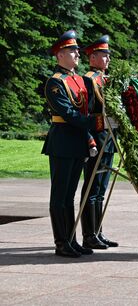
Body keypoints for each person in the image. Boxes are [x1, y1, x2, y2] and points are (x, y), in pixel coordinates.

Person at [42, 30, 98, 257]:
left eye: (76, 50)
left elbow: (84, 108)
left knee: (70, 195)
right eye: (72, 51)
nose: (77, 54)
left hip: (77, 142)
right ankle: (61, 242)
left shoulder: (78, 80)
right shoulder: (55, 83)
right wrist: (97, 123)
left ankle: (71, 239)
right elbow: (68, 113)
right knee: (60, 195)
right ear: (59, 55)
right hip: (63, 141)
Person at [80, 35, 119, 249]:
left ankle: (98, 231)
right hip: (97, 140)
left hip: (109, 139)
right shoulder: (88, 79)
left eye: (108, 55)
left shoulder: (105, 78)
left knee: (101, 189)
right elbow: (85, 112)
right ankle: (88, 235)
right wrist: (89, 139)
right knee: (92, 188)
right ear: (93, 57)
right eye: (104, 55)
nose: (108, 59)